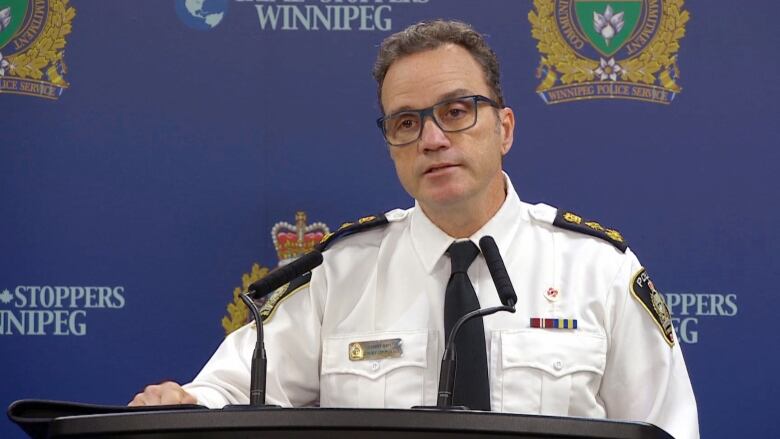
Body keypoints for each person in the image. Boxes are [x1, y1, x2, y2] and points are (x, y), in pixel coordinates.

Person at [130, 20, 699, 439]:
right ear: (391, 147)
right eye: (407, 122)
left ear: (504, 128)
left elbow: (667, 428)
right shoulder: (339, 274)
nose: (432, 139)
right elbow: (227, 392)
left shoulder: (599, 269)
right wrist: (181, 403)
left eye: (456, 111)